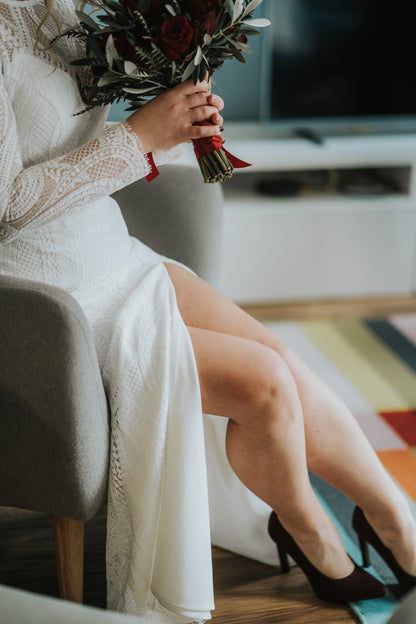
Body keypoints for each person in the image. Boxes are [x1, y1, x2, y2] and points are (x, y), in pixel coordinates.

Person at [1, 0, 415, 622]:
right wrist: (138, 135)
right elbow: (6, 207)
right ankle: (310, 535)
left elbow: (108, 149)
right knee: (266, 385)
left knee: (282, 357)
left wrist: (178, 117)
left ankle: (395, 521)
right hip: (44, 303)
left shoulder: (65, 9)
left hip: (109, 252)